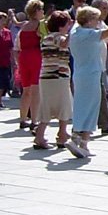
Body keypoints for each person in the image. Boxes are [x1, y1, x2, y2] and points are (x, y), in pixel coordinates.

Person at [66, 6, 108, 158]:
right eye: (96, 19)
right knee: (91, 108)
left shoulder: (75, 32)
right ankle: (82, 142)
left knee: (81, 106)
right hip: (91, 74)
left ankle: (77, 137)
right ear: (89, 20)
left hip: (80, 74)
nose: (98, 22)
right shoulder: (89, 34)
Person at [33, 12, 74, 151]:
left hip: (46, 77)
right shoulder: (58, 37)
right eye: (67, 24)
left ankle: (41, 135)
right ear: (61, 25)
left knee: (46, 107)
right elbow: (63, 43)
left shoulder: (46, 38)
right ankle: (61, 135)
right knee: (64, 105)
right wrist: (73, 31)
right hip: (58, 77)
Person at [15, 0, 44, 132]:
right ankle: (34, 120)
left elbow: (18, 44)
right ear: (36, 11)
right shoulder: (40, 25)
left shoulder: (24, 26)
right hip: (35, 56)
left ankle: (22, 119)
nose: (43, 12)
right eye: (41, 9)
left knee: (26, 90)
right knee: (36, 90)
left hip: (23, 57)